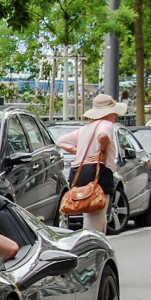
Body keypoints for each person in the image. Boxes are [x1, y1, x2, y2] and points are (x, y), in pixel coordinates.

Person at [54, 93, 123, 234]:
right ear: (108, 113)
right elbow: (103, 136)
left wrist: (77, 150)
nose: (115, 116)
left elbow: (60, 141)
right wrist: (102, 151)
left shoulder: (85, 128)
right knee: (95, 216)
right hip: (98, 172)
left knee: (93, 212)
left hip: (79, 172)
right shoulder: (106, 124)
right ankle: (92, 248)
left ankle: (101, 248)